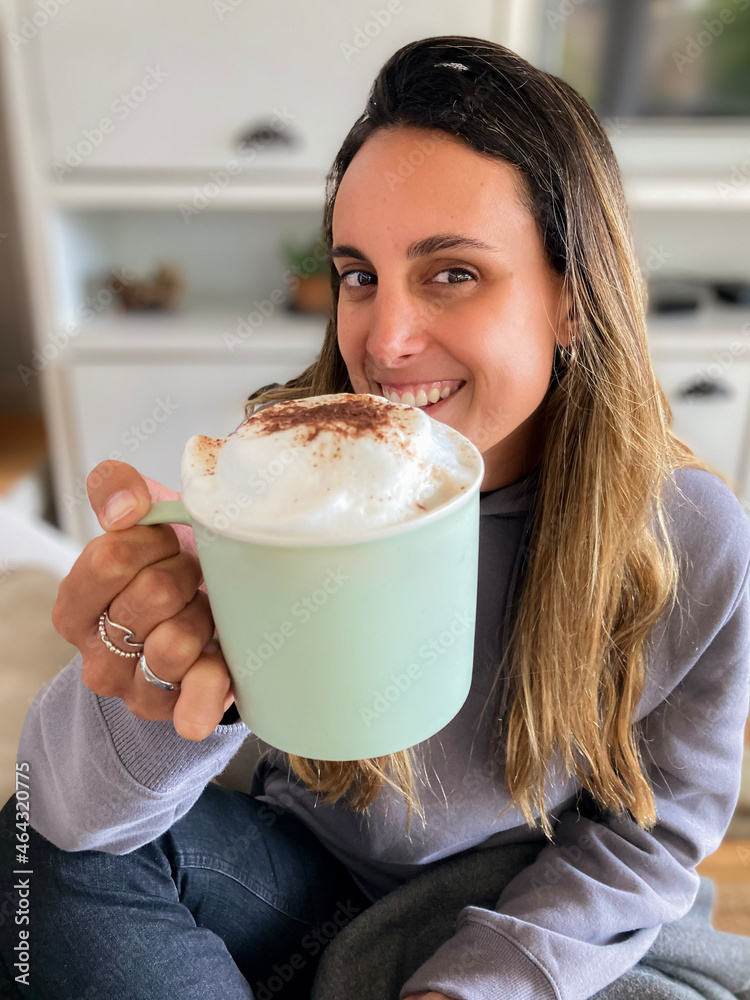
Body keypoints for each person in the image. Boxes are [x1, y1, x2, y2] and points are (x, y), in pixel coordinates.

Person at [1, 34, 749, 1000]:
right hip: (310, 886)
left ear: (573, 299)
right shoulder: (279, 479)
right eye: (359, 275)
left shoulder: (688, 538)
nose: (385, 342)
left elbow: (652, 842)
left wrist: (464, 988)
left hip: (529, 907)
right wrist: (149, 689)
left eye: (453, 273)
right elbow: (68, 818)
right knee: (32, 857)